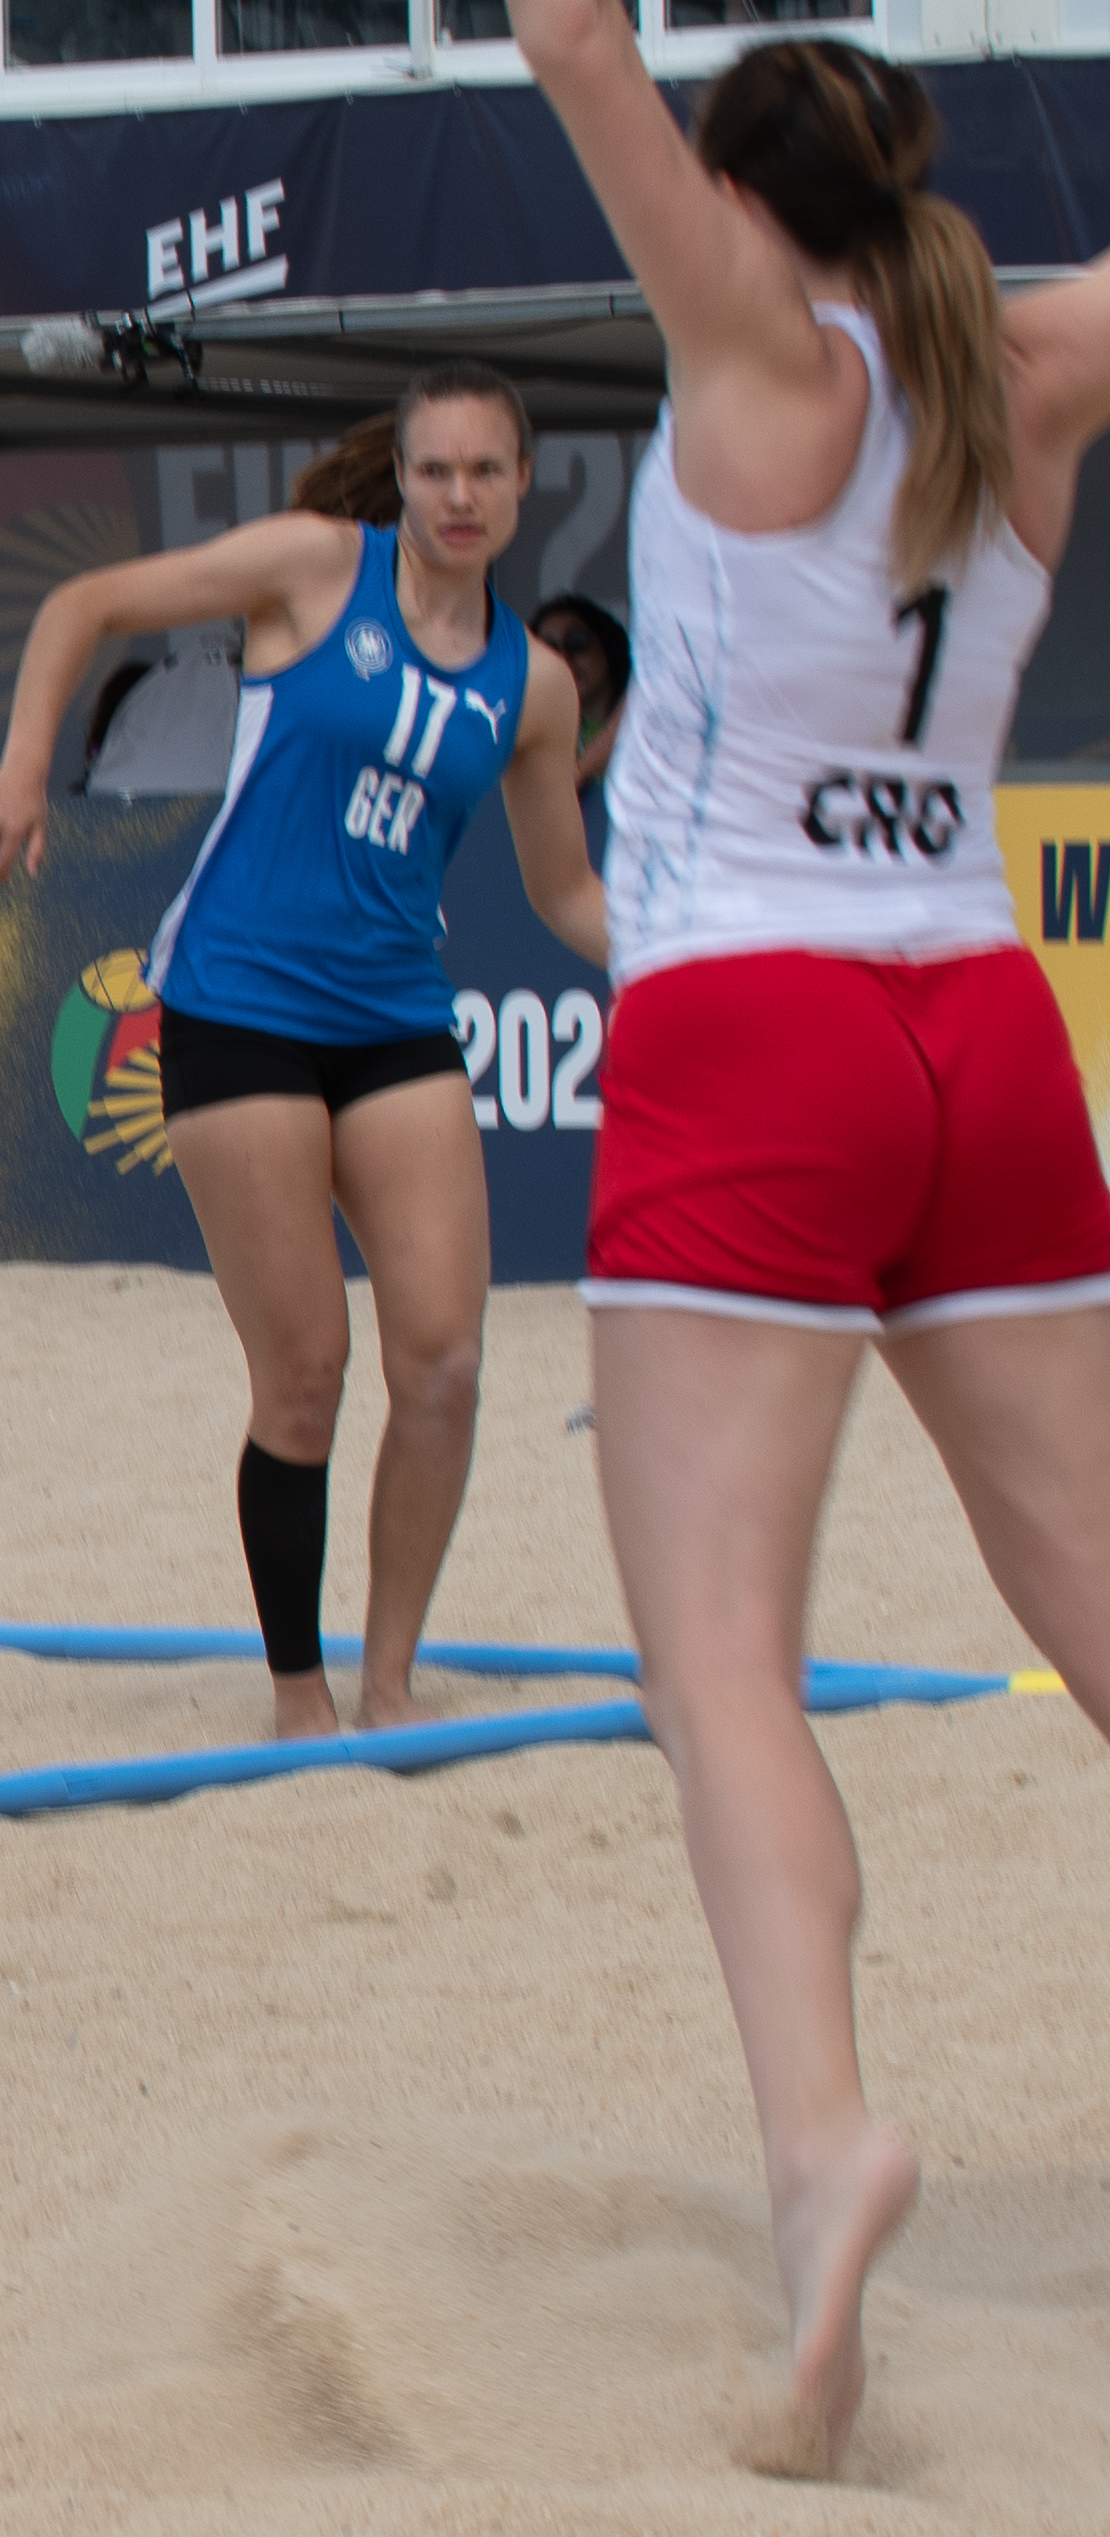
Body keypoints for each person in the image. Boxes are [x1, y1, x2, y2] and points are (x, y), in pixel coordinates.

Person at [517, 4, 1110, 2471]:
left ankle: (821, 2148)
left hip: (749, 1026)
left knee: (724, 1661)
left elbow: (565, 36)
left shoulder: (748, 341)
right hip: (978, 1021)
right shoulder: (1031, 356)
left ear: (747, 201)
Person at [0, 371, 604, 1741]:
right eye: (436, 469)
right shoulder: (318, 567)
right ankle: (297, 1688)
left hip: (395, 1015)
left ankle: (390, 1678)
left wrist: (695, 955)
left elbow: (566, 896)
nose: (459, 494)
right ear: (405, 475)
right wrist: (21, 769)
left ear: (521, 485)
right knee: (305, 1371)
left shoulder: (533, 685)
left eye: (485, 471)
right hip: (238, 999)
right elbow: (83, 604)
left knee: (442, 1362)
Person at [529, 590, 631, 791]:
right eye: (549, 649)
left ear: (608, 646)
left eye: (577, 641)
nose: (564, 657)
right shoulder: (544, 739)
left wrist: (581, 770)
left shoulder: (647, 714)